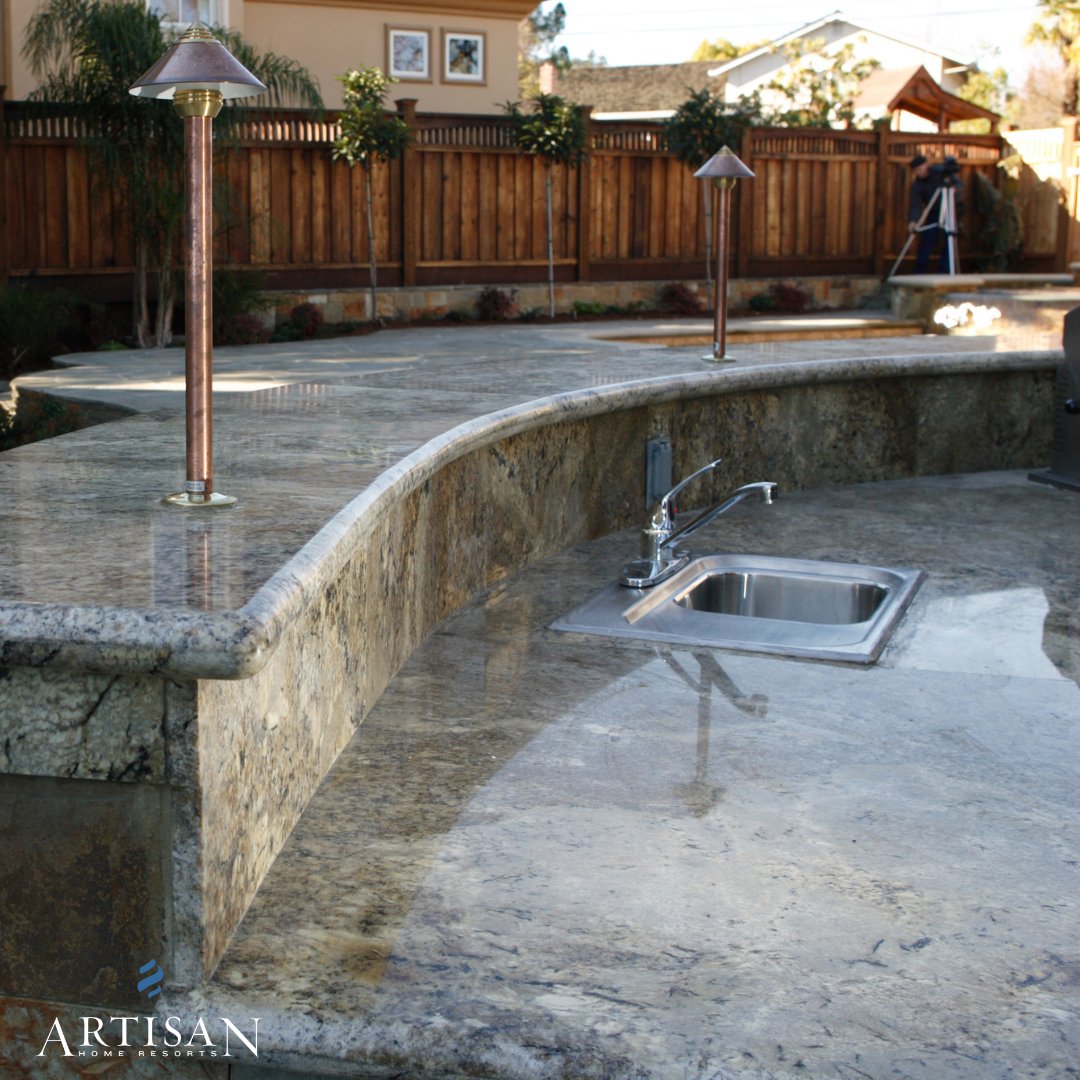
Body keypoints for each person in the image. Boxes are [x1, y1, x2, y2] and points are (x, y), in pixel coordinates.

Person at [907, 154, 962, 273]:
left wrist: (955, 190)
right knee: (927, 240)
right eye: (915, 171)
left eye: (919, 169)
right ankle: (919, 271)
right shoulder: (918, 184)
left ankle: (945, 271)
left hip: (949, 211)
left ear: (926, 165)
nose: (918, 173)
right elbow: (915, 204)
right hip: (933, 212)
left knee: (949, 239)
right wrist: (913, 220)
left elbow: (958, 184)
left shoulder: (940, 173)